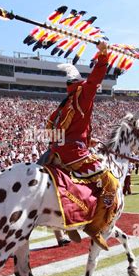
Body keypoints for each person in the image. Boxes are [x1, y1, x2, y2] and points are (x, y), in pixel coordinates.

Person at [45, 41, 116, 251]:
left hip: (58, 151)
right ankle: (95, 227)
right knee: (110, 183)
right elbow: (94, 81)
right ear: (80, 84)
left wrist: (84, 140)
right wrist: (103, 56)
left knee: (73, 185)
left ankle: (73, 220)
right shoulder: (83, 95)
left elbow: (54, 133)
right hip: (75, 153)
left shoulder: (62, 106)